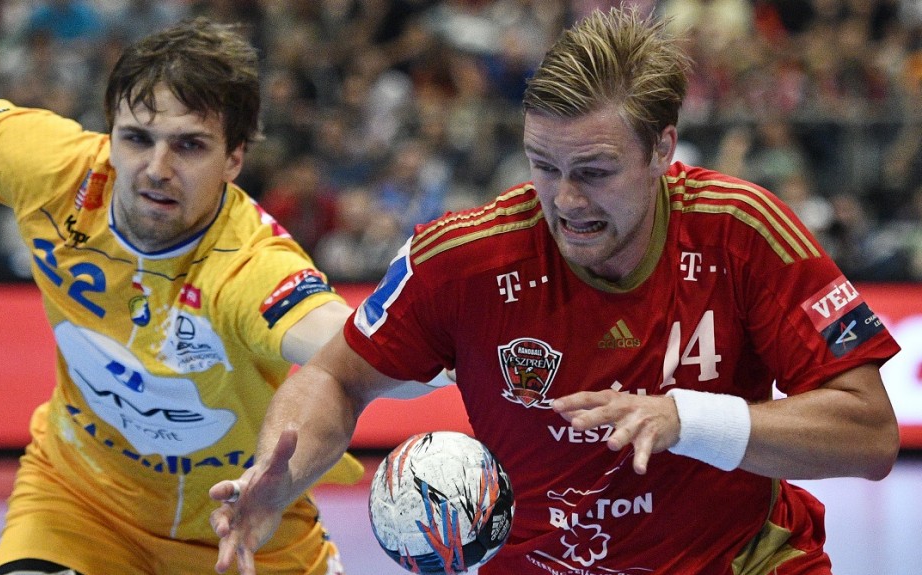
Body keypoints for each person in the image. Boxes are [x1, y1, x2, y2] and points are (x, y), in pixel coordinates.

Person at [209, 7, 901, 575]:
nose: (565, 199)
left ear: (662, 150)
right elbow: (336, 375)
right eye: (544, 165)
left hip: (739, 558)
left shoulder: (741, 231)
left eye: (595, 170)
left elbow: (869, 435)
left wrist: (688, 420)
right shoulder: (463, 258)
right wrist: (280, 472)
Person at [0, 17, 428, 575]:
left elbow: (358, 347)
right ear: (110, 134)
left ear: (234, 159)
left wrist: (459, 343)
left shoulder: (251, 265)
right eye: (136, 138)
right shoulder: (54, 171)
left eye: (189, 146)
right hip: (80, 508)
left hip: (245, 528)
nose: (156, 169)